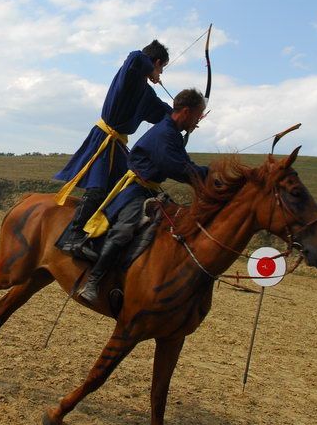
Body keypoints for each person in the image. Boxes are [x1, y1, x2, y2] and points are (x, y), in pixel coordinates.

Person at [78, 88, 209, 304]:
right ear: (186, 112)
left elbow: (185, 164)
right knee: (124, 229)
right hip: (135, 190)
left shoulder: (172, 133)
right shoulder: (164, 133)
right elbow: (176, 166)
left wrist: (206, 174)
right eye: (197, 116)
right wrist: (209, 175)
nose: (197, 122)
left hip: (150, 190)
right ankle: (93, 282)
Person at [54, 41, 173, 252]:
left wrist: (185, 116)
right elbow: (136, 56)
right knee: (98, 188)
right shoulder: (130, 75)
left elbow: (163, 112)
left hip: (118, 144)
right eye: (161, 67)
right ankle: (73, 234)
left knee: (123, 191)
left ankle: (100, 235)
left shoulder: (146, 93)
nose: (161, 73)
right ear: (155, 62)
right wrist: (151, 70)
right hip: (104, 138)